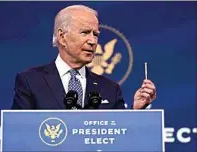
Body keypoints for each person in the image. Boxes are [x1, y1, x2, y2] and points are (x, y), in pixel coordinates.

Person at [11, 5, 156, 109]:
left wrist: (136, 110)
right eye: (85, 33)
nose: (93, 41)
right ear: (62, 37)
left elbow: (120, 134)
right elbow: (20, 132)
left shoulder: (110, 89)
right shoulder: (30, 81)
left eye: (95, 34)